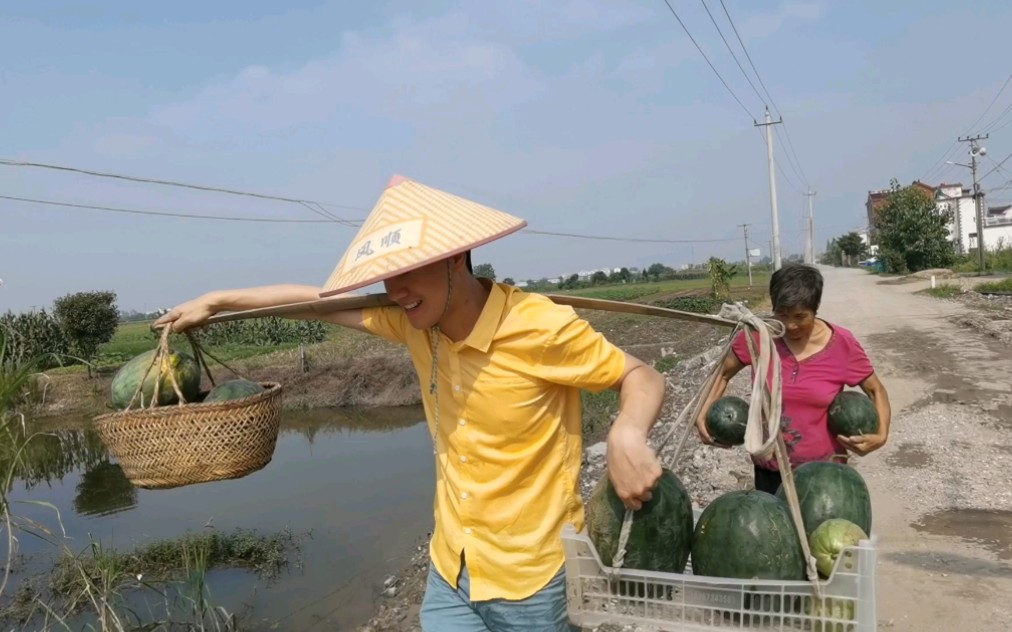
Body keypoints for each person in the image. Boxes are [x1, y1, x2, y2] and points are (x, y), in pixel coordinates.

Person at [155, 175, 667, 632]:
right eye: (385, 277)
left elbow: (639, 375)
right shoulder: (416, 323)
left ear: (455, 257)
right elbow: (318, 302)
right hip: (451, 568)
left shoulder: (538, 326)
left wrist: (626, 431)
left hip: (533, 579)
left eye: (408, 272)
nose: (395, 291)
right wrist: (219, 300)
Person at [694, 263, 891, 495]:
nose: (791, 325)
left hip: (824, 474)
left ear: (815, 309)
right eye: (782, 314)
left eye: (801, 316)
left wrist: (881, 435)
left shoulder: (842, 344)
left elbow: (875, 390)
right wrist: (701, 414)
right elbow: (723, 374)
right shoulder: (758, 337)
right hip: (769, 471)